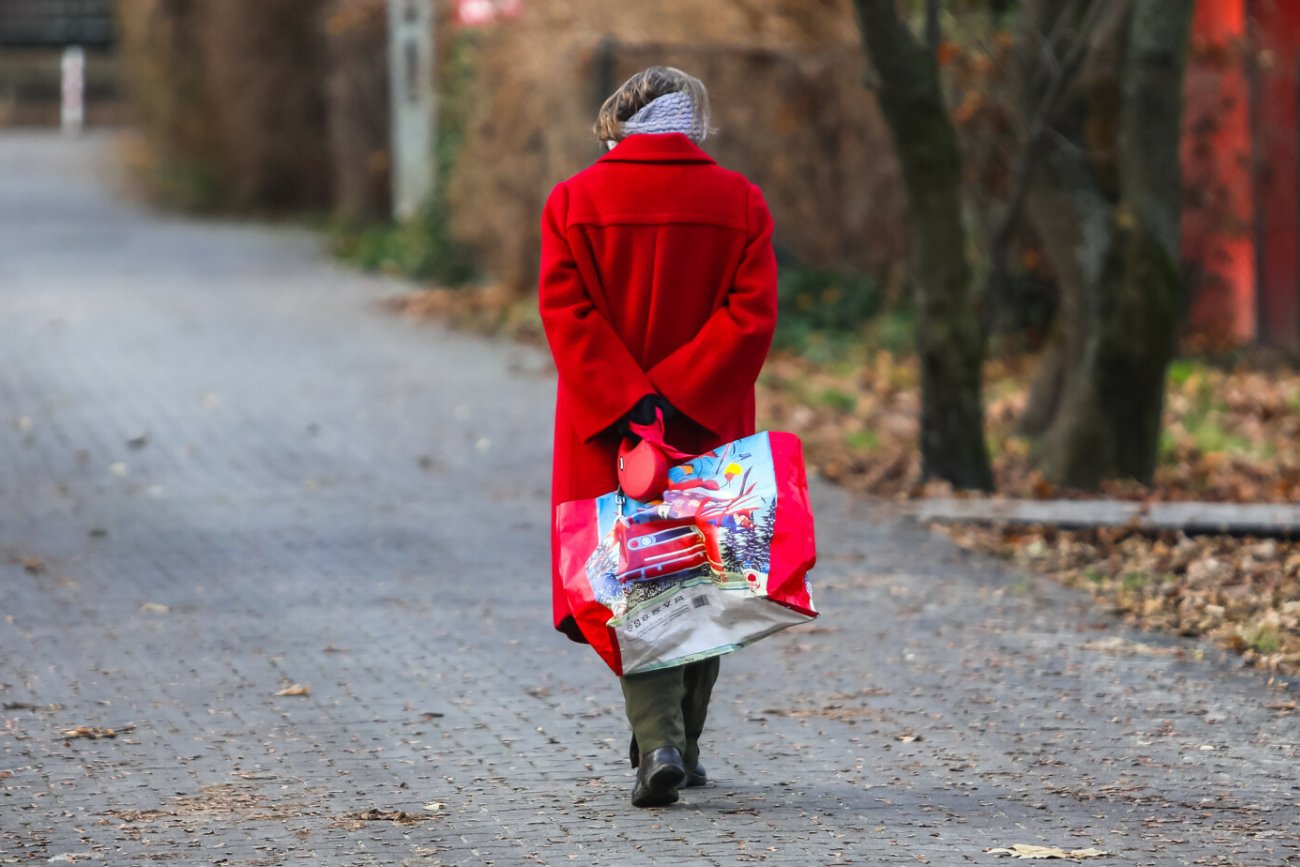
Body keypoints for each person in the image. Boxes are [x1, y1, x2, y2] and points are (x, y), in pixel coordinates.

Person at [538, 67, 778, 808]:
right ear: (691, 122)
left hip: (610, 429)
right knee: (704, 572)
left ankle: (663, 743)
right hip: (709, 421)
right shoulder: (740, 201)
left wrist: (634, 402)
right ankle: (682, 742)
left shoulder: (574, 201)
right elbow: (751, 315)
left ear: (622, 121)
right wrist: (678, 400)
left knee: (633, 576)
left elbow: (568, 313)